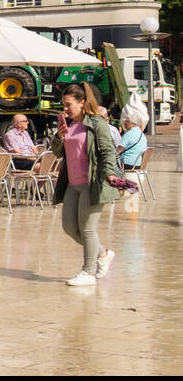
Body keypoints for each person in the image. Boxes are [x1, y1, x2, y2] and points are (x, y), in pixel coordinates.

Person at [49, 83, 121, 287]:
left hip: (93, 182)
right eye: (63, 105)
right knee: (70, 228)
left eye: (68, 104)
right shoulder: (69, 126)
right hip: (73, 184)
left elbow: (108, 151)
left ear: (82, 102)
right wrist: (59, 137)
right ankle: (103, 254)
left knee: (88, 230)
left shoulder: (97, 123)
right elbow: (57, 153)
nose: (65, 109)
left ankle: (88, 273)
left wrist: (108, 173)